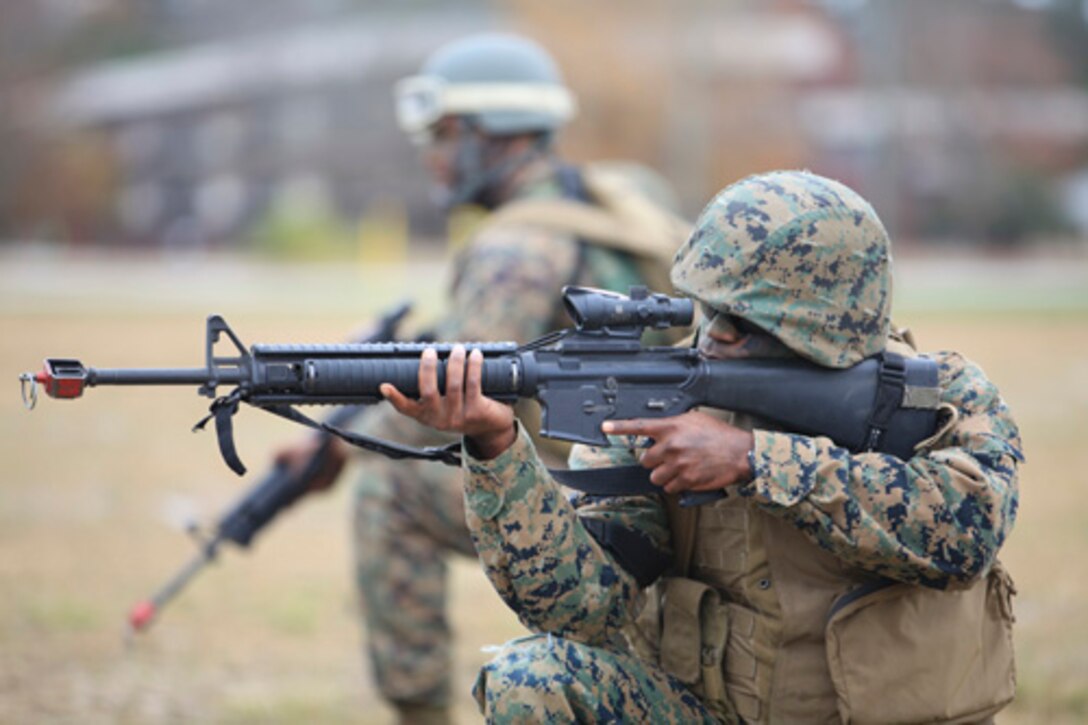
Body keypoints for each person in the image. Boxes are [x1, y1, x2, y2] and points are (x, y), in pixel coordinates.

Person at [382, 170, 1024, 723]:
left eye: (739, 323)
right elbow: (581, 609)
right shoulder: (666, 403)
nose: (712, 335)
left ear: (820, 326)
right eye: (705, 310)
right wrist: (496, 447)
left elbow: (966, 531)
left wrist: (752, 461)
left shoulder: (936, 395)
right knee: (533, 680)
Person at [275, 33, 688, 724]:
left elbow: (448, 398)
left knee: (390, 485)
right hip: (666, 471)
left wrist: (339, 445)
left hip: (599, 486)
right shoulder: (614, 198)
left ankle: (421, 712)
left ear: (490, 135)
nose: (431, 154)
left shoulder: (513, 248)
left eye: (443, 133)